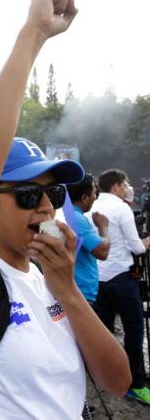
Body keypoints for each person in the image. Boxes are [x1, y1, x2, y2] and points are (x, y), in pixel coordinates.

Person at [0, 0, 130, 419]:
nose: (45, 207)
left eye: (54, 193)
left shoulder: (49, 282)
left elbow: (117, 382)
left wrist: (68, 290)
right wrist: (34, 33)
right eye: (26, 194)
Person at [90, 168, 150, 404]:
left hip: (100, 279)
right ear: (116, 186)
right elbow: (137, 247)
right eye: (125, 184)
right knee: (134, 330)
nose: (127, 188)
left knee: (105, 330)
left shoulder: (92, 206)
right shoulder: (121, 207)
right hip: (122, 279)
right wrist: (147, 240)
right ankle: (135, 384)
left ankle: (106, 376)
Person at [66, 174, 110, 303]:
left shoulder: (66, 213)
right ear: (85, 198)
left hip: (75, 290)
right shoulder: (75, 218)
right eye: (94, 193)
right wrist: (103, 227)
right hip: (80, 293)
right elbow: (102, 252)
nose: (95, 197)